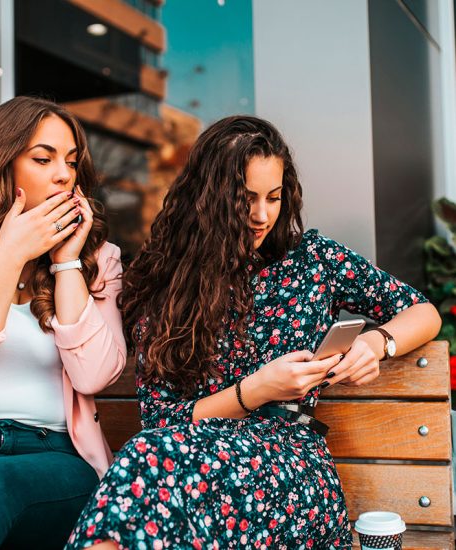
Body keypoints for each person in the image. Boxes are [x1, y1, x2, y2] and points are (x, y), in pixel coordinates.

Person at [66, 116, 441, 549]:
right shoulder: (169, 281)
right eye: (244, 200)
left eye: (274, 197)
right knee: (148, 466)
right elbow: (161, 424)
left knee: (148, 471)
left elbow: (421, 311)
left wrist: (377, 342)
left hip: (291, 471)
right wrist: (257, 389)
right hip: (191, 466)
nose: (261, 215)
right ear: (209, 199)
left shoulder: (312, 259)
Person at [0, 96, 127, 550]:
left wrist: (67, 263)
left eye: (71, 162)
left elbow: (93, 374)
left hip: (54, 458)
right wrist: (10, 252)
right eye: (44, 158)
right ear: (2, 165)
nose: (63, 173)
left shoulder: (101, 260)